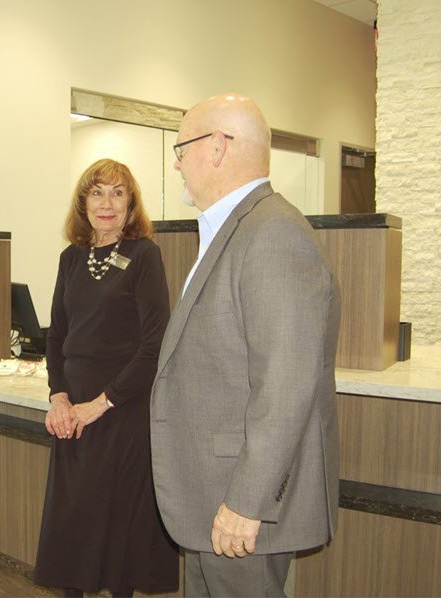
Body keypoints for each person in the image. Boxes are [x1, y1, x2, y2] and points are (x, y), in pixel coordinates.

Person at [149, 94, 341, 597]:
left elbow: (286, 385)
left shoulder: (272, 234)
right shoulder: (236, 229)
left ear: (217, 147)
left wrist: (246, 502)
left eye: (181, 148)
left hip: (239, 503)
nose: (176, 163)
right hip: (212, 493)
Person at [34, 159, 179, 597]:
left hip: (122, 409)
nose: (107, 203)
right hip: (73, 413)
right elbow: (56, 335)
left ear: (131, 203)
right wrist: (59, 398)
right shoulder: (70, 258)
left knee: (119, 528)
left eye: (118, 193)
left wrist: (99, 404)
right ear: (83, 202)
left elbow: (155, 344)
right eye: (97, 192)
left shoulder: (144, 255)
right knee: (74, 523)